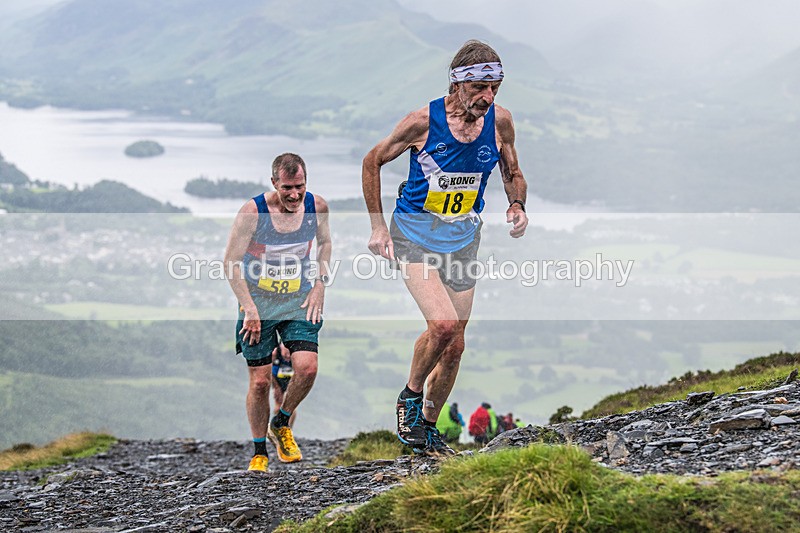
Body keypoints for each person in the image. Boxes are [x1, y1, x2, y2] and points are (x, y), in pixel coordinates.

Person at [362, 40, 529, 456]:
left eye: (496, 88)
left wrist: (517, 204)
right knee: (443, 325)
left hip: (462, 238)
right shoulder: (422, 122)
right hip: (414, 234)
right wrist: (378, 227)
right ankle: (410, 399)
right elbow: (372, 161)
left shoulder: (500, 122)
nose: (488, 97)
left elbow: (513, 172)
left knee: (455, 345)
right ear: (457, 85)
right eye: (480, 89)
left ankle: (428, 431)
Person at [224, 153, 332, 472]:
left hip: (298, 299)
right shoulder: (253, 212)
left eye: (300, 186)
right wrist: (249, 307)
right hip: (258, 301)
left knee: (307, 368)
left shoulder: (317, 207)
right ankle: (259, 452)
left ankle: (281, 422)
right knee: (259, 382)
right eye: (287, 188)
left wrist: (320, 284)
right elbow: (231, 262)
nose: (294, 195)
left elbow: (325, 243)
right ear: (274, 183)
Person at [272, 343, 297, 427]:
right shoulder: (275, 353)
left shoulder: (297, 351)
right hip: (277, 380)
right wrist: (276, 387)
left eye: (290, 354)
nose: (288, 356)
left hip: (291, 379)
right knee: (278, 405)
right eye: (286, 354)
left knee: (291, 405)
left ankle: (288, 428)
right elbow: (268, 371)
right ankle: (277, 427)